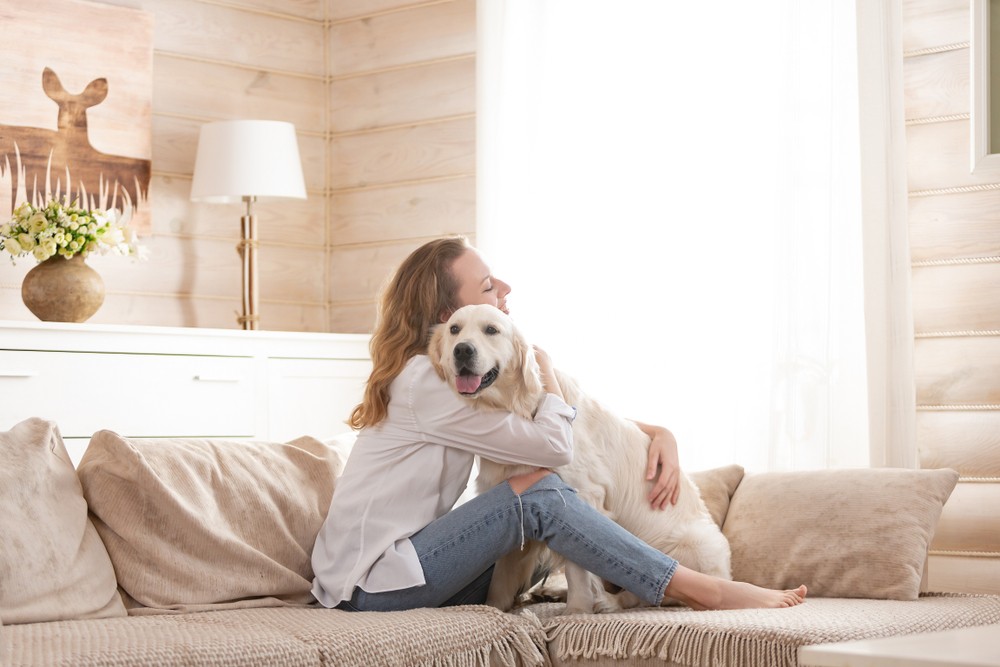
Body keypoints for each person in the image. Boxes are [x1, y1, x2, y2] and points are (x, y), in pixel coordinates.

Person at [311, 236, 806, 612]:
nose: (503, 289)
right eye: (487, 286)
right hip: (371, 583)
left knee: (532, 538)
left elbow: (563, 421)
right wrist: (546, 375)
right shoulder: (426, 381)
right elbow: (553, 445)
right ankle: (702, 588)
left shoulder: (452, 380)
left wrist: (658, 433)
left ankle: (605, 588)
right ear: (449, 316)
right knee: (540, 492)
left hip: (408, 567)